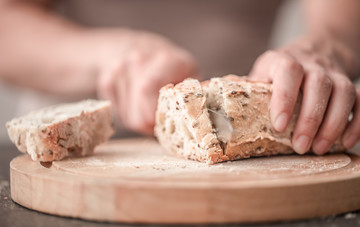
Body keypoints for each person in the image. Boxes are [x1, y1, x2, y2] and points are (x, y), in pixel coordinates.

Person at [0, 0, 359, 155]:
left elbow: (339, 26)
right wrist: (114, 55)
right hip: (80, 128)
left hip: (250, 135)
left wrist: (325, 47)